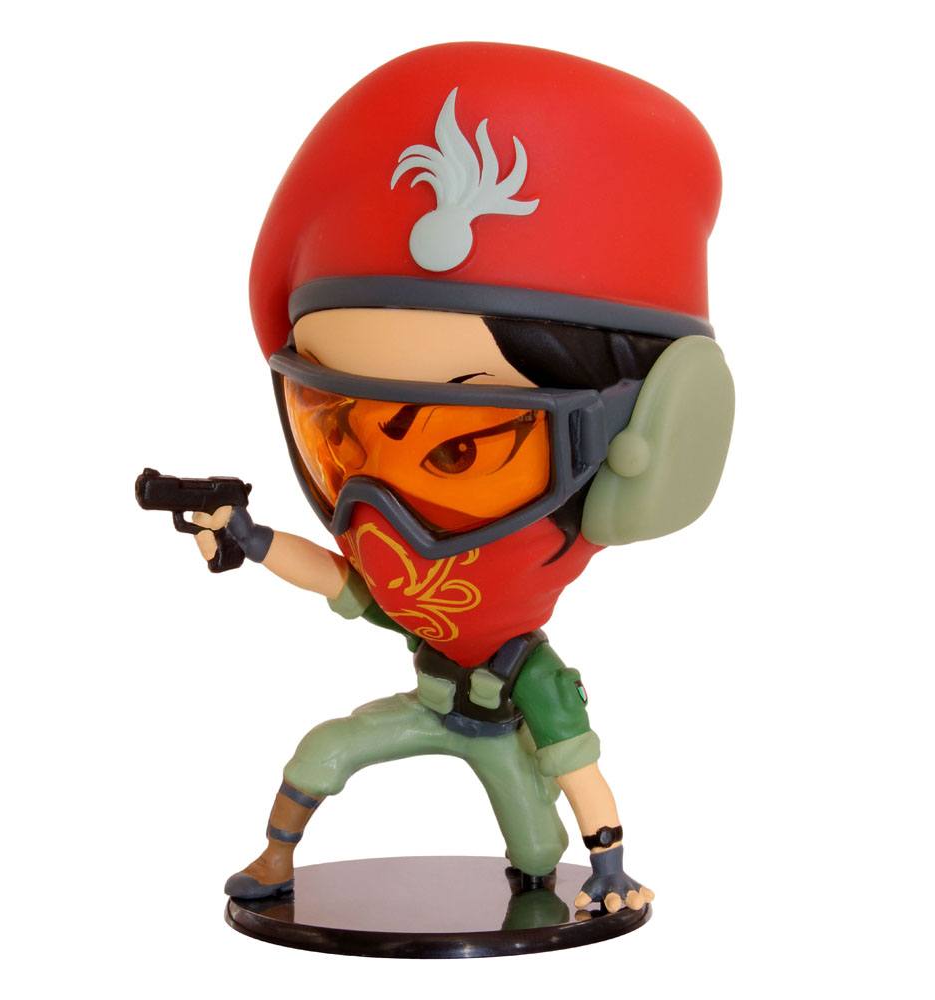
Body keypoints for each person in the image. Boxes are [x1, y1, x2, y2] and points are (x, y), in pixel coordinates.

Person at [191, 42, 733, 913]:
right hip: (427, 703)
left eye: (459, 451)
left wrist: (608, 867)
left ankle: (545, 868)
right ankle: (273, 859)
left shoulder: (532, 673)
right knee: (322, 753)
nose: (381, 505)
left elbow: (578, 765)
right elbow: (337, 579)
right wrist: (246, 538)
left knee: (537, 845)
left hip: (500, 730)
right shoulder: (411, 591)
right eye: (340, 433)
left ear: (640, 446)